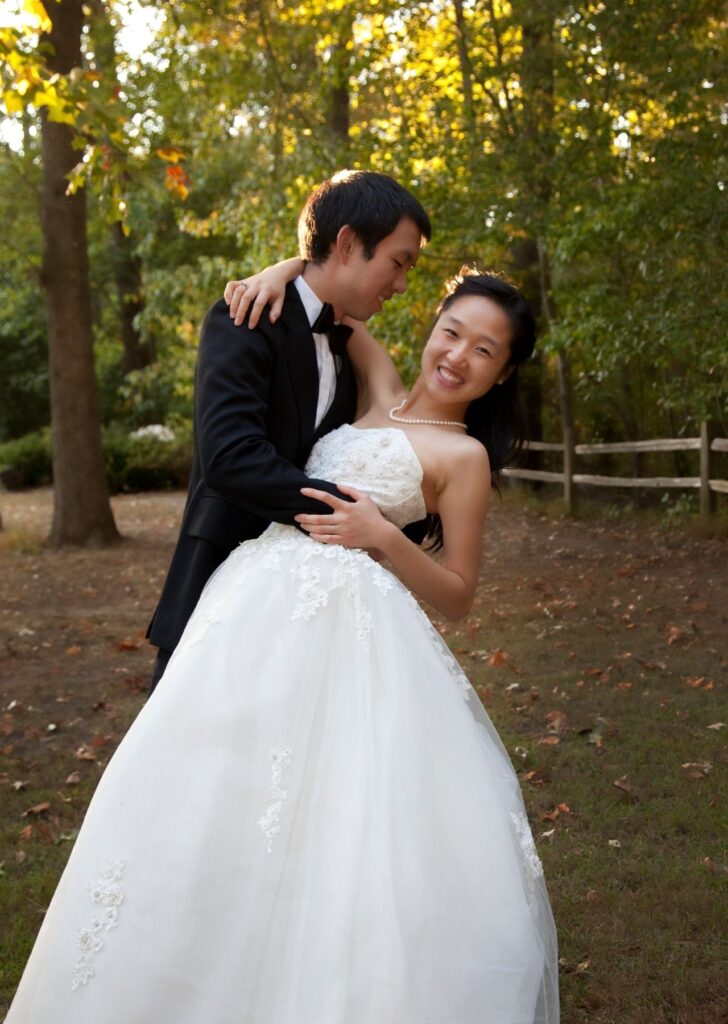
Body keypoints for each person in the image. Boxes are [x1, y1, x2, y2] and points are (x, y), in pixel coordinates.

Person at [4, 269, 559, 1024]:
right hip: (253, 602)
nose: (458, 355)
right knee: (209, 777)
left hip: (353, 636)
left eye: (484, 350)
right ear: (433, 326)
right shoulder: (379, 383)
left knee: (331, 807)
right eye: (452, 331)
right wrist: (282, 268)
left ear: (502, 372)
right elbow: (335, 291)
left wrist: (383, 537)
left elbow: (459, 593)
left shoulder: (463, 461)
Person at [146, 169, 431, 690]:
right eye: (398, 262)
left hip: (307, 614)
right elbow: (231, 457)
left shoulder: (351, 347)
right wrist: (346, 514)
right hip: (215, 587)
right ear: (348, 243)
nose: (402, 283)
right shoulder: (245, 318)